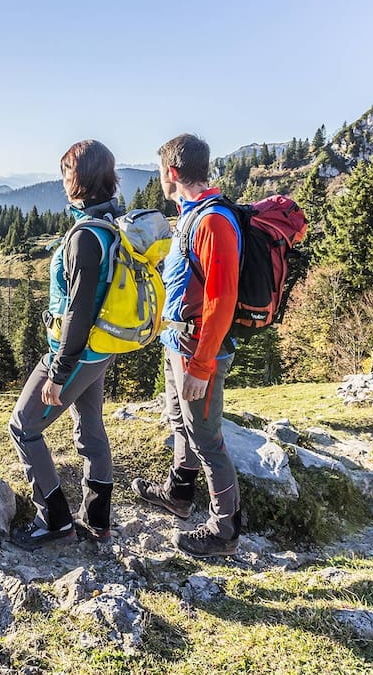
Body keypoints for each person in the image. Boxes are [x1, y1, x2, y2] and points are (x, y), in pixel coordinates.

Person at [132, 133, 243, 558]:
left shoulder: (213, 221)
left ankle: (224, 528)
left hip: (199, 350)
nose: (160, 178)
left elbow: (222, 298)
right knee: (180, 420)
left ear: (173, 173)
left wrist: (201, 364)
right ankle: (179, 493)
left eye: (161, 172)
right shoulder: (191, 215)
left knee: (206, 436)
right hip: (178, 341)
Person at [8, 139, 123, 550]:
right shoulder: (112, 223)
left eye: (65, 173)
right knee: (91, 431)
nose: (62, 181)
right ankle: (97, 522)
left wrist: (58, 372)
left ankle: (54, 520)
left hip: (74, 353)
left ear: (79, 178)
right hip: (100, 350)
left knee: (23, 426)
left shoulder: (84, 237)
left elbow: (77, 312)